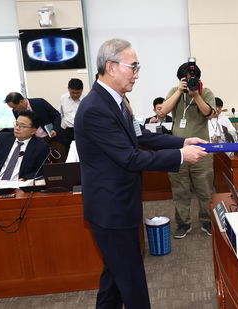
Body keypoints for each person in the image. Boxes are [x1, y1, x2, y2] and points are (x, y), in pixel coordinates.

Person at [74, 38, 208, 309]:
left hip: (119, 205)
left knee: (115, 276)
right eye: (133, 67)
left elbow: (141, 136)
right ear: (111, 67)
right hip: (111, 210)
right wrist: (182, 156)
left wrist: (182, 141)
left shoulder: (116, 101)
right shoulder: (96, 109)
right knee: (131, 279)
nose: (137, 73)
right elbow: (130, 157)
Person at [160, 60, 216, 239]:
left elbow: (209, 114)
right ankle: (183, 223)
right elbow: (163, 111)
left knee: (205, 189)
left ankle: (207, 221)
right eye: (186, 79)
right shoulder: (174, 92)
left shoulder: (205, 92)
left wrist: (196, 94)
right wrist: (179, 91)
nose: (189, 81)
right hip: (179, 151)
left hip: (202, 151)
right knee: (180, 189)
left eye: (193, 78)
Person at [0, 110, 49, 182]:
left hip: (19, 185)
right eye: (16, 124)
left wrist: (26, 179)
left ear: (33, 131)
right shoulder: (4, 138)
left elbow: (41, 171)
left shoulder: (40, 147)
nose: (17, 128)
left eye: (22, 126)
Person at [4, 92, 69, 162]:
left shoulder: (39, 102)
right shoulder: (15, 111)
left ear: (21, 101)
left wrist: (55, 129)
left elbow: (56, 115)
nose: (15, 109)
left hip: (53, 137)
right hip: (36, 141)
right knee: (43, 164)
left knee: (60, 162)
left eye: (15, 107)